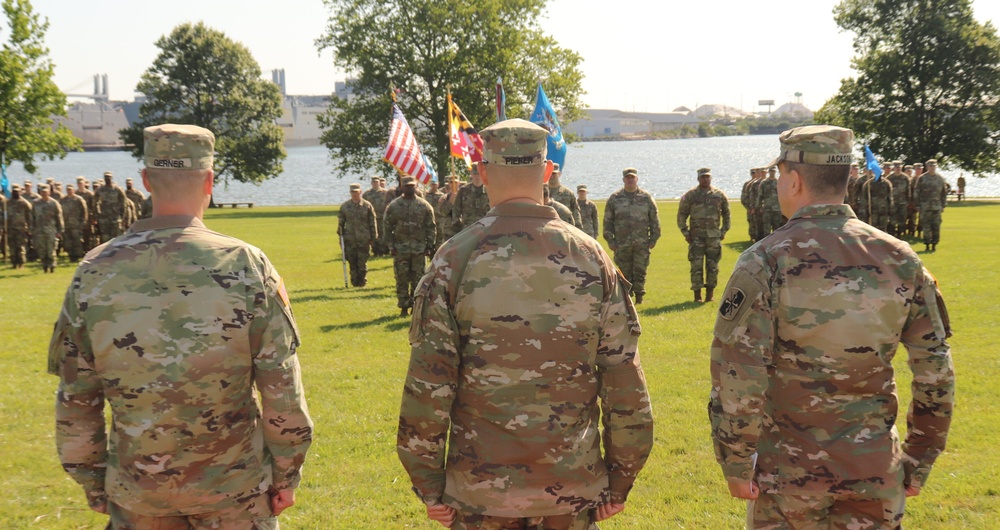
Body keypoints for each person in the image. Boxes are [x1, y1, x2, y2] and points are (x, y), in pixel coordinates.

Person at [49, 124, 313, 528]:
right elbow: (281, 387)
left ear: (145, 181)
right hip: (235, 489)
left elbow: (76, 396)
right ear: (209, 181)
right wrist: (286, 473)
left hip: (139, 491)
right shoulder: (246, 266)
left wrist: (93, 479)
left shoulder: (93, 271)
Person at [397, 118, 653, 530]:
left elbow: (429, 385)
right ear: (548, 170)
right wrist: (621, 478)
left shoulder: (453, 259)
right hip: (571, 489)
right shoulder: (592, 257)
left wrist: (428, 482)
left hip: (481, 494)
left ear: (481, 172)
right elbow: (624, 382)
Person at [709, 125, 954, 529]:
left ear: (793, 180)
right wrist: (920, 458)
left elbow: (738, 373)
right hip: (874, 471)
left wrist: (736, 462)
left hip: (787, 477)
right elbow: (936, 374)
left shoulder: (765, 260)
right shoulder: (901, 259)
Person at [603, 167, 660, 304]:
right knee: (623, 271)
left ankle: (639, 298)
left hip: (642, 242)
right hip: (622, 243)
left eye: (632, 177)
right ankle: (626, 298)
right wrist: (610, 241)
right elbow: (608, 222)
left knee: (640, 270)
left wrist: (653, 238)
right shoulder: (615, 198)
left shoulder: (646, 198)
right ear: (623, 180)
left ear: (637, 179)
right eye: (627, 178)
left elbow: (654, 220)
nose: (630, 180)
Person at [383, 176, 436, 316]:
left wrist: (429, 246)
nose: (409, 188)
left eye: (412, 185)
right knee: (402, 279)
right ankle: (403, 307)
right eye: (407, 186)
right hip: (400, 250)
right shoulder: (394, 206)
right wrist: (391, 245)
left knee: (418, 280)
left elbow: (430, 227)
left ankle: (417, 307)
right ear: (401, 187)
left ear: (416, 187)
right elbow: (387, 227)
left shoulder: (424, 206)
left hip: (419, 250)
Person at [677, 168, 730, 302]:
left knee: (713, 267)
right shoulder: (690, 195)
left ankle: (709, 296)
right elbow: (682, 215)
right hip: (696, 237)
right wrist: (685, 232)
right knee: (696, 267)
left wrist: (723, 231)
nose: (705, 179)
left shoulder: (719, 195)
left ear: (711, 178)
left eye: (707, 177)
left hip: (713, 238)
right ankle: (697, 296)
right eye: (702, 177)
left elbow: (727, 214)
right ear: (698, 178)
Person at [338, 182, 378, 287]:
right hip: (350, 239)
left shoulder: (367, 205)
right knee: (352, 261)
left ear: (360, 192)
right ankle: (354, 282)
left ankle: (362, 282)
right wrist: (340, 237)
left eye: (356, 192)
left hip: (363, 238)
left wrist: (373, 237)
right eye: (352, 192)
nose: (354, 194)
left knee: (362, 262)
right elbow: (341, 224)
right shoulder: (345, 206)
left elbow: (372, 222)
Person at [915, 159, 948, 252]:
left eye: (933, 166)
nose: (932, 168)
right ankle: (927, 244)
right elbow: (917, 192)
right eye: (930, 166)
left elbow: (943, 193)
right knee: (926, 226)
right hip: (925, 207)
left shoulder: (940, 178)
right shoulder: (922, 178)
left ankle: (934, 244)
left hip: (936, 207)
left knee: (936, 226)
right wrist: (917, 205)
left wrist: (943, 205)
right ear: (927, 167)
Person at [31, 184, 64, 273]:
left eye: (45, 192)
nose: (44, 193)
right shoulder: (35, 203)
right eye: (42, 192)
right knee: (41, 249)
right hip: (39, 230)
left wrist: (60, 230)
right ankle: (44, 266)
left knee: (51, 249)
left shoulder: (54, 203)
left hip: (51, 230)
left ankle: (52, 266)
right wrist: (32, 229)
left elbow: (59, 218)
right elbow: (32, 217)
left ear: (49, 192)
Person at [452, 163, 491, 232]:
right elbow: (456, 209)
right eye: (475, 174)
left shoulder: (490, 191)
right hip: (467, 230)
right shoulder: (463, 190)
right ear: (471, 174)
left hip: (485, 230)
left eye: (479, 174)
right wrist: (457, 225)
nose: (477, 177)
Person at [547, 162, 583, 228]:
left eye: (554, 174)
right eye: (550, 173)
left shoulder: (568, 193)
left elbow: (575, 212)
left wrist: (578, 228)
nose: (551, 176)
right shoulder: (541, 192)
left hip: (564, 228)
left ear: (559, 174)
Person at [96, 171, 128, 242]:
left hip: (115, 218)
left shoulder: (117, 189)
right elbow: (95, 203)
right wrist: (98, 214)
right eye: (106, 177)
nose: (107, 179)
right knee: (105, 239)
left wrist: (123, 217)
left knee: (117, 239)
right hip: (104, 218)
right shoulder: (100, 189)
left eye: (109, 177)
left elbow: (124, 203)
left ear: (112, 178)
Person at [60, 184, 89, 263]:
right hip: (67, 224)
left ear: (73, 190)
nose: (69, 191)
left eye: (70, 189)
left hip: (76, 224)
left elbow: (84, 212)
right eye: (68, 190)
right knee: (68, 242)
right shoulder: (62, 200)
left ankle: (77, 256)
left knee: (77, 241)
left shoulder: (79, 199)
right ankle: (71, 255)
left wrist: (83, 222)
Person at [6, 184, 33, 269]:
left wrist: (29, 228)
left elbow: (29, 217)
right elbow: (4, 216)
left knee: (21, 247)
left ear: (20, 192)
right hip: (10, 228)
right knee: (12, 247)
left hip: (21, 229)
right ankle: (14, 263)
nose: (15, 193)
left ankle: (21, 263)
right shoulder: (7, 203)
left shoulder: (24, 203)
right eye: (14, 191)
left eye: (17, 191)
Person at [886, 160, 911, 237]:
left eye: (899, 167)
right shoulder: (889, 178)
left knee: (902, 220)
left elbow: (908, 190)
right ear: (893, 168)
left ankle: (900, 234)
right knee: (892, 220)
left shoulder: (905, 178)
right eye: (896, 167)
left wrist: (909, 202)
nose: (898, 169)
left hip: (903, 203)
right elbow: (886, 191)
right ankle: (892, 235)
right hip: (892, 203)